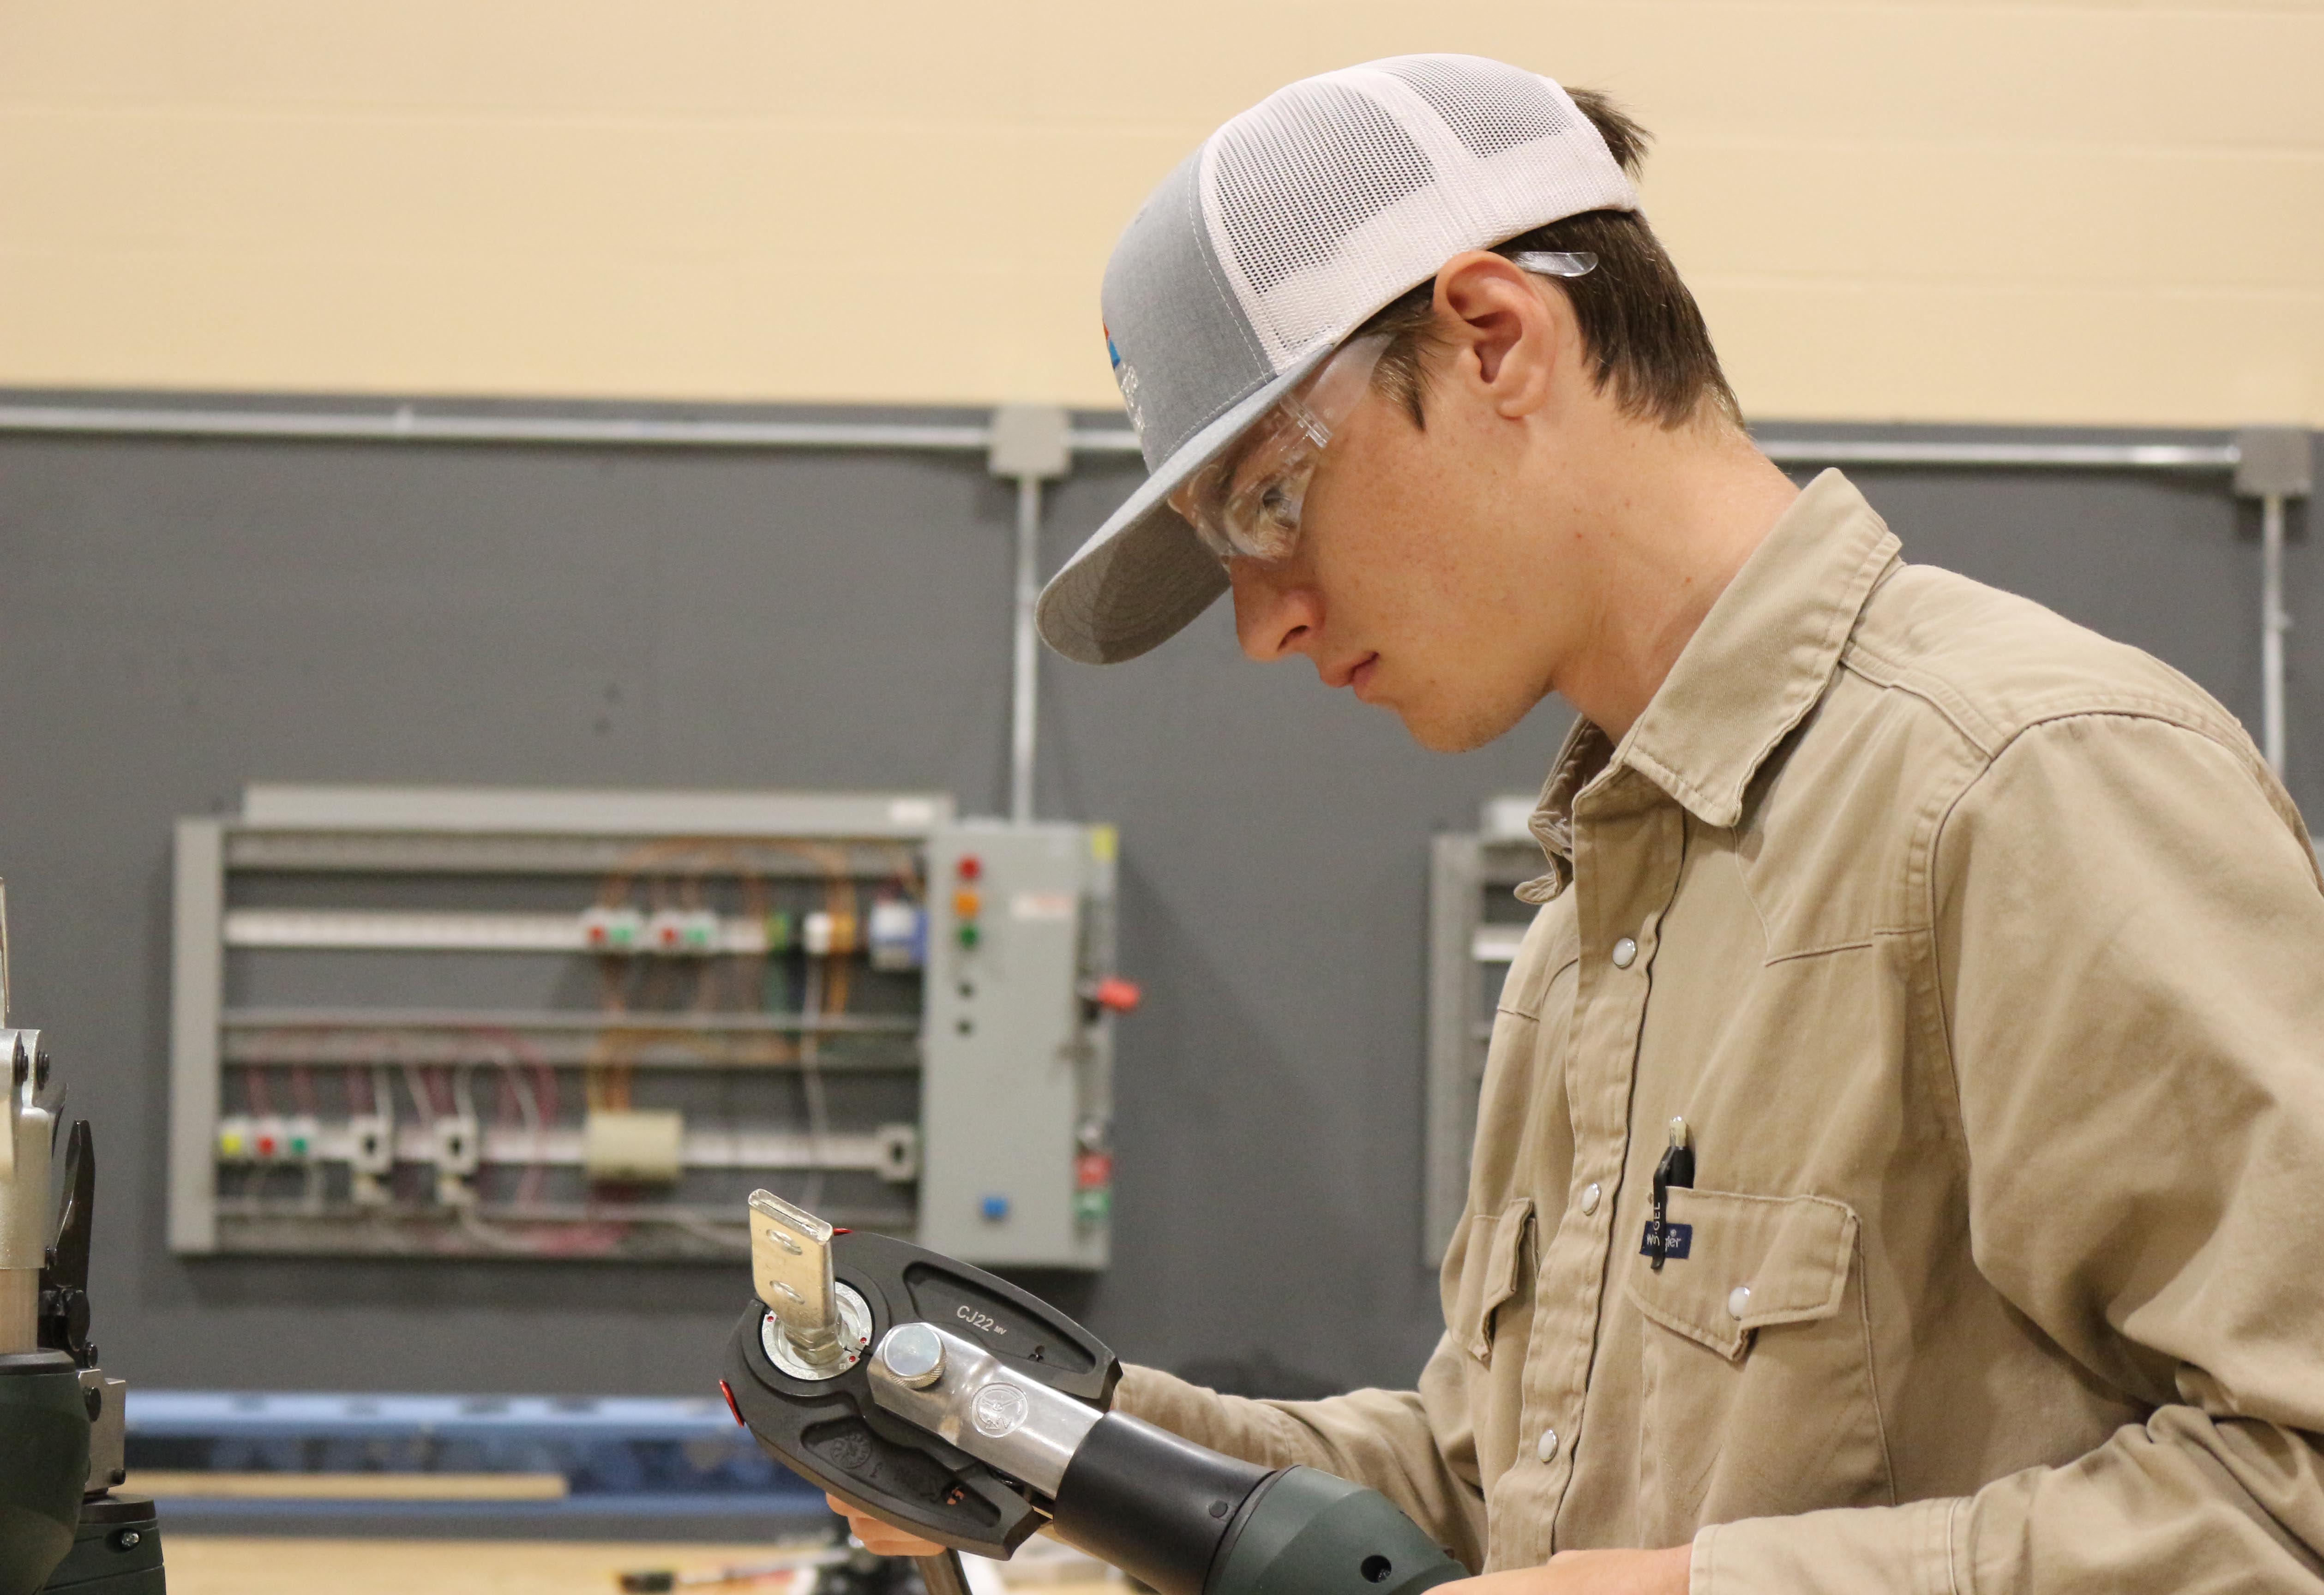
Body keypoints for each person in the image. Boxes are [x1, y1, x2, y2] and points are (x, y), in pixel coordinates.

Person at [835, 54, 2324, 1595]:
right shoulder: (1597, 924)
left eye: (1267, 505)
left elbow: (2297, 1496)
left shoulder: (2028, 782)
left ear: (1490, 339)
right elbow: (1491, 1499)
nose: (1263, 627)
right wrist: (1046, 1444)